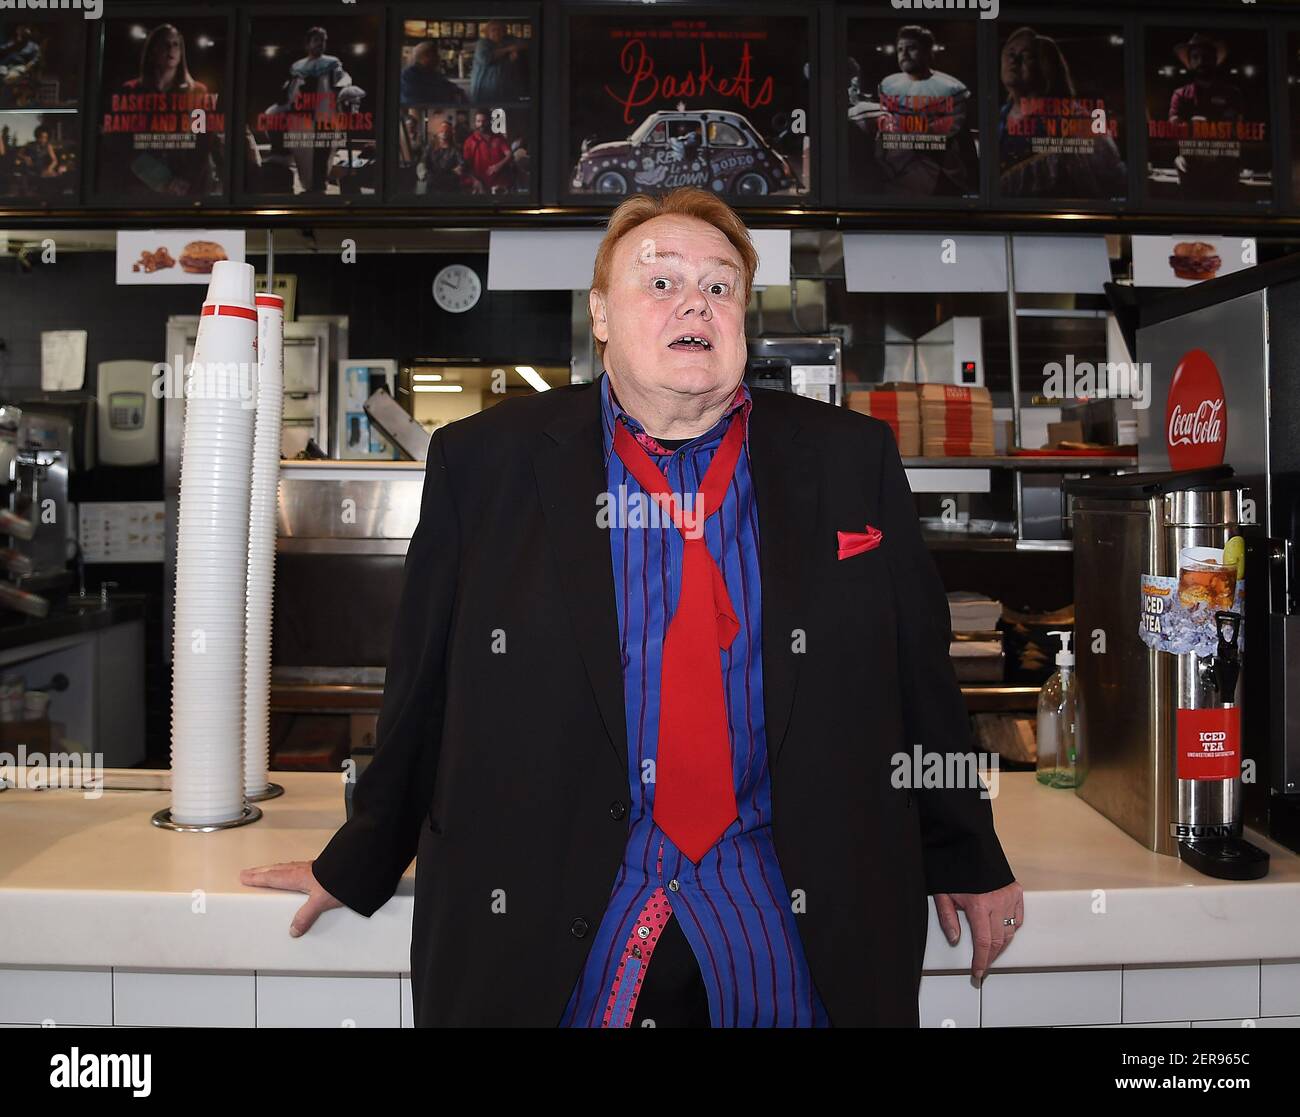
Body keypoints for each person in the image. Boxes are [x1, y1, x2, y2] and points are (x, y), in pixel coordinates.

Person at [242, 187, 1022, 1028]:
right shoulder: (487, 462)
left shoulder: (848, 458)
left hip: (790, 931)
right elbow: (421, 690)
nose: (696, 301)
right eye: (660, 282)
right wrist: (358, 855)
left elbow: (919, 675)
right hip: (558, 930)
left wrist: (968, 849)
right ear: (600, 314)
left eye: (721, 286)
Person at [998, 26, 1126, 200]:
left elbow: (1110, 179)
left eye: (1026, 55)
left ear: (1045, 65)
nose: (1014, 60)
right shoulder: (999, 116)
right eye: (1010, 53)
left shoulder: (1075, 118)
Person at [105, 23, 217, 197]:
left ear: (181, 54)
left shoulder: (197, 92)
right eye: (165, 44)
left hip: (189, 188)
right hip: (143, 186)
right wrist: (161, 180)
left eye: (175, 44)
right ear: (152, 51)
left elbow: (203, 142)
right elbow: (123, 143)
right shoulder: (131, 91)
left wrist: (184, 180)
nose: (171, 49)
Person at [874, 24, 973, 196]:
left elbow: (940, 135)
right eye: (900, 49)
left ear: (928, 52)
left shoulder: (951, 88)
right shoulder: (888, 85)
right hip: (894, 173)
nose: (904, 54)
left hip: (939, 174)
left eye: (911, 48)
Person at [1167, 32, 1246, 203]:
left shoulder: (1232, 94)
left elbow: (1235, 131)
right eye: (1195, 57)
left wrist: (1198, 127)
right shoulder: (1180, 94)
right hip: (1191, 169)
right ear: (1190, 62)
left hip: (1225, 169)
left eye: (1206, 56)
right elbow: (1173, 129)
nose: (1201, 61)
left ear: (1215, 59)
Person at [468, 20, 527, 104]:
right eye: (493, 30)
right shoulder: (483, 43)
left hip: (503, 92)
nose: (497, 32)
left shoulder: (507, 42)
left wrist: (513, 55)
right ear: (487, 32)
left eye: (500, 30)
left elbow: (524, 44)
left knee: (502, 115)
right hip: (484, 90)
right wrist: (508, 49)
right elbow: (485, 59)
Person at [462, 107, 514, 193]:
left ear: (490, 122)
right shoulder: (469, 141)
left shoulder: (499, 138)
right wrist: (475, 181)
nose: (481, 124)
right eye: (478, 121)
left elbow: (509, 155)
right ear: (475, 123)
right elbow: (466, 166)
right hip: (481, 185)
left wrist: (498, 165)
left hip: (500, 183)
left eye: (484, 121)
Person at [400, 40, 467, 106]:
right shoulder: (408, 76)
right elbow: (414, 100)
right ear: (424, 57)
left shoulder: (431, 73)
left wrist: (457, 91)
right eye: (435, 55)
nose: (438, 58)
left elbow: (449, 86)